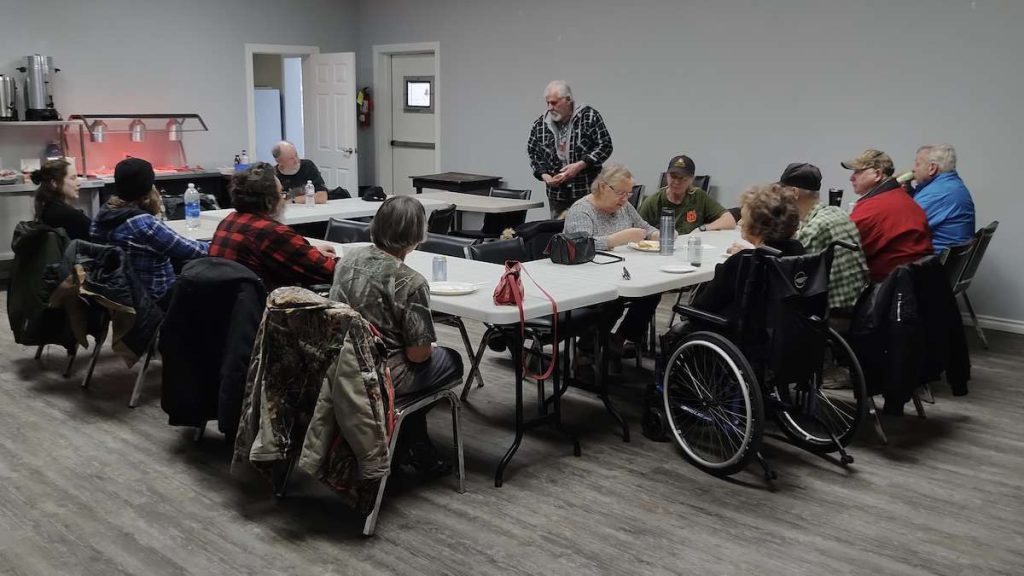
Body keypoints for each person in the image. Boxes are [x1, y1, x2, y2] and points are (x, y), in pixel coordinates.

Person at [329, 195, 463, 476]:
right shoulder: (410, 282)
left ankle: (414, 446)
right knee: (451, 361)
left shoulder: (347, 261)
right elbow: (418, 354)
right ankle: (410, 442)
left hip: (341, 361)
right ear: (417, 234)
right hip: (380, 372)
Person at [564, 163, 661, 365]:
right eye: (621, 193)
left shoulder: (624, 206)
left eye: (629, 193)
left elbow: (644, 227)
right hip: (587, 277)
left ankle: (620, 338)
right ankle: (586, 350)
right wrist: (615, 239)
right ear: (603, 187)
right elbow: (580, 246)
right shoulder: (582, 210)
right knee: (613, 302)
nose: (626, 199)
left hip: (622, 271)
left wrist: (658, 234)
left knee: (652, 290)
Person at [91, 158, 209, 303]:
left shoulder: (101, 216)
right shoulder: (142, 223)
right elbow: (192, 250)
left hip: (120, 298)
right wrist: (215, 244)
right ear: (149, 187)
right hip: (157, 299)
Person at [209, 162, 336, 291]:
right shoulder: (272, 232)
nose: (283, 200)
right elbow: (327, 270)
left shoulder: (228, 222)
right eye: (281, 194)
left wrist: (311, 251)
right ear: (270, 201)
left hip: (231, 303)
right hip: (265, 304)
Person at [692, 183, 805, 321]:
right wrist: (751, 253)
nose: (740, 223)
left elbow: (701, 307)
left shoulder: (742, 262)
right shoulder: (797, 250)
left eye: (744, 218)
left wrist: (738, 260)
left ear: (757, 227)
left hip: (740, 335)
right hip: (786, 331)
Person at [783, 162, 869, 312]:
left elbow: (788, 274)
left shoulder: (816, 227)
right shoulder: (837, 212)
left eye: (782, 192)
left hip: (833, 314)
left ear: (795, 192)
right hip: (857, 305)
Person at [527, 80, 613, 218]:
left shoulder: (589, 117)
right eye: (547, 103)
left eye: (554, 103)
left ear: (568, 100)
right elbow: (534, 154)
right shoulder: (540, 124)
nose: (550, 107)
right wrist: (545, 176)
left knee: (587, 233)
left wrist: (580, 165)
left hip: (587, 191)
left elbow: (605, 145)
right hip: (557, 195)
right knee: (558, 234)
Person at [843, 149, 933, 282]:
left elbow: (843, 248)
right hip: (915, 282)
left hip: (890, 287)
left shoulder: (875, 207)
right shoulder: (899, 197)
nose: (851, 177)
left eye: (857, 172)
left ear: (877, 174)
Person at [638, 155, 736, 234]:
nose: (676, 181)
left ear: (691, 179)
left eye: (682, 178)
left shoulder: (699, 197)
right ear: (667, 175)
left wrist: (703, 229)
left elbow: (729, 221)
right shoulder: (653, 202)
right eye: (673, 176)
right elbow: (636, 230)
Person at [910, 144, 976, 253]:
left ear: (932, 168)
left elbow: (903, 225)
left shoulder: (937, 194)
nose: (913, 169)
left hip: (935, 263)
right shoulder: (951, 185)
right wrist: (909, 191)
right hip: (949, 260)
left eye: (917, 164)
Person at [31, 159, 91, 240]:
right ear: (54, 183)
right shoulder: (71, 216)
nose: (78, 183)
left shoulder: (46, 209)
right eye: (72, 178)